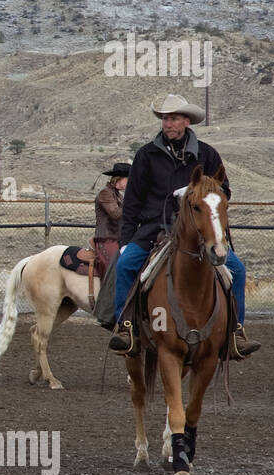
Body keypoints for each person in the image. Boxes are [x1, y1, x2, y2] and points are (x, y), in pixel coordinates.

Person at [108, 95, 259, 357]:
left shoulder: (208, 154)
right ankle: (126, 328)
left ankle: (235, 332)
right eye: (165, 119)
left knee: (237, 270)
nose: (168, 124)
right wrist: (125, 243)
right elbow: (132, 203)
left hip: (198, 232)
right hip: (155, 229)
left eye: (174, 118)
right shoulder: (146, 155)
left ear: (186, 121)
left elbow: (223, 193)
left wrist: (196, 192)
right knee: (125, 265)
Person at [93, 161, 130, 274]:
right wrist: (131, 202)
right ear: (120, 179)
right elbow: (115, 214)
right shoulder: (105, 193)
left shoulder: (118, 195)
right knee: (113, 269)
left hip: (117, 238)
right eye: (128, 179)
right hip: (106, 238)